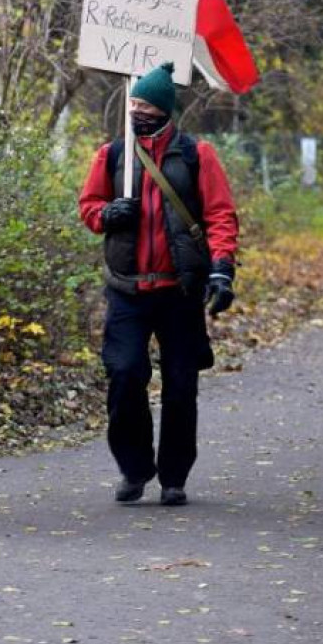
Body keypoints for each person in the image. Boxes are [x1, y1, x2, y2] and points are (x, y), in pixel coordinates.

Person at [79, 62, 238, 506]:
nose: (138, 111)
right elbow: (89, 206)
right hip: (127, 288)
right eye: (134, 102)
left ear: (165, 109)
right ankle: (134, 467)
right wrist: (106, 215)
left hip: (179, 290)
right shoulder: (111, 155)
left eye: (146, 104)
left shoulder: (195, 155)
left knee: (181, 385)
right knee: (125, 373)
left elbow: (221, 214)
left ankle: (174, 476)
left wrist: (222, 266)